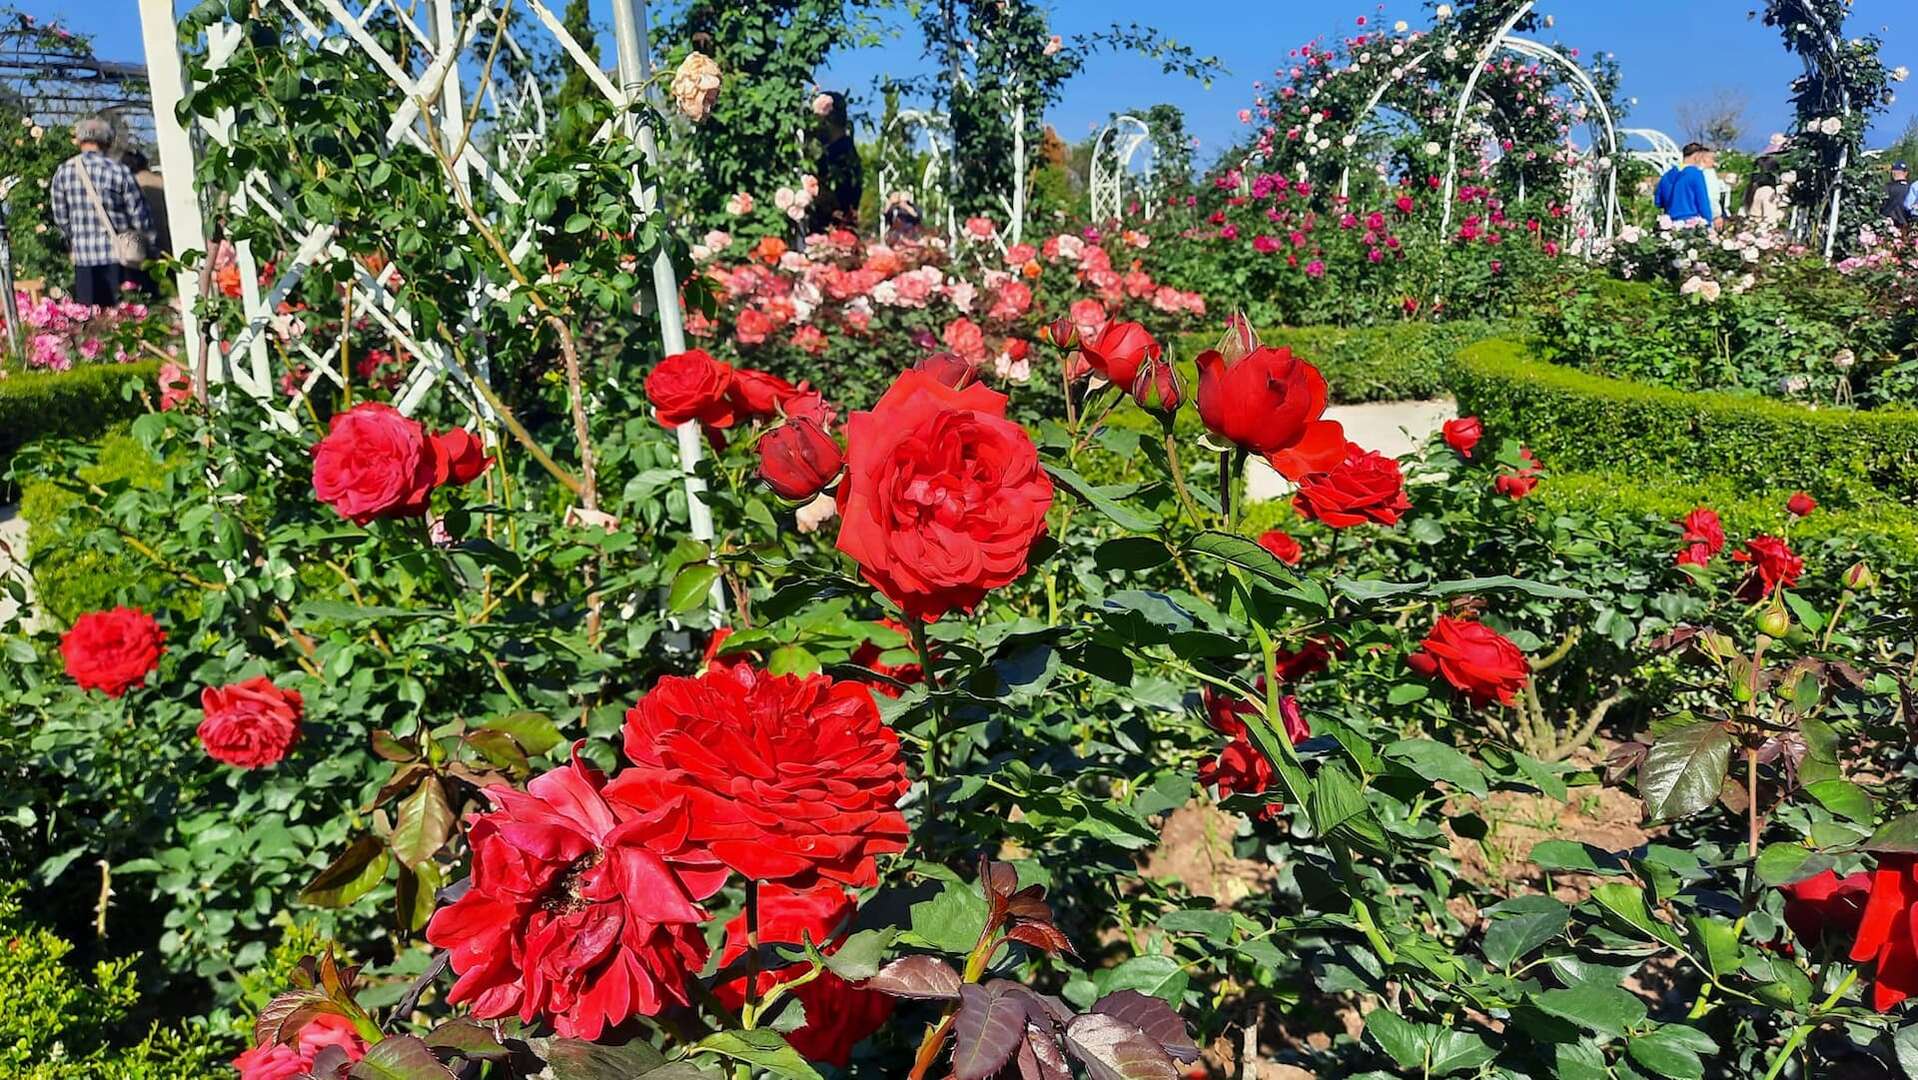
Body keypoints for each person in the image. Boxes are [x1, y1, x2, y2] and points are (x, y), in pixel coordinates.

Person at [49, 116, 155, 305]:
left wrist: (77, 237)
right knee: (126, 319)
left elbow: (61, 218)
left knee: (94, 322)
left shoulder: (63, 172)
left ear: (80, 141)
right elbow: (140, 216)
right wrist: (150, 246)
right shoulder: (118, 171)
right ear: (107, 142)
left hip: (84, 260)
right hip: (121, 258)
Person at [809, 91, 862, 233]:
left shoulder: (840, 155)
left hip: (834, 233)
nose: (813, 126)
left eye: (816, 120)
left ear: (828, 119)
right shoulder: (845, 150)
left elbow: (834, 199)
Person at [1654, 142, 1717, 227]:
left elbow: (1658, 202)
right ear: (1696, 156)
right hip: (1690, 222)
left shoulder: (1666, 176)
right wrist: (1708, 222)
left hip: (1670, 223)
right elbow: (1702, 202)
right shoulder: (1696, 174)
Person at [1885, 161, 1914, 229]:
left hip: (1889, 226)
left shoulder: (1886, 188)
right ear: (1906, 173)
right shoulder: (1912, 188)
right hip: (1909, 226)